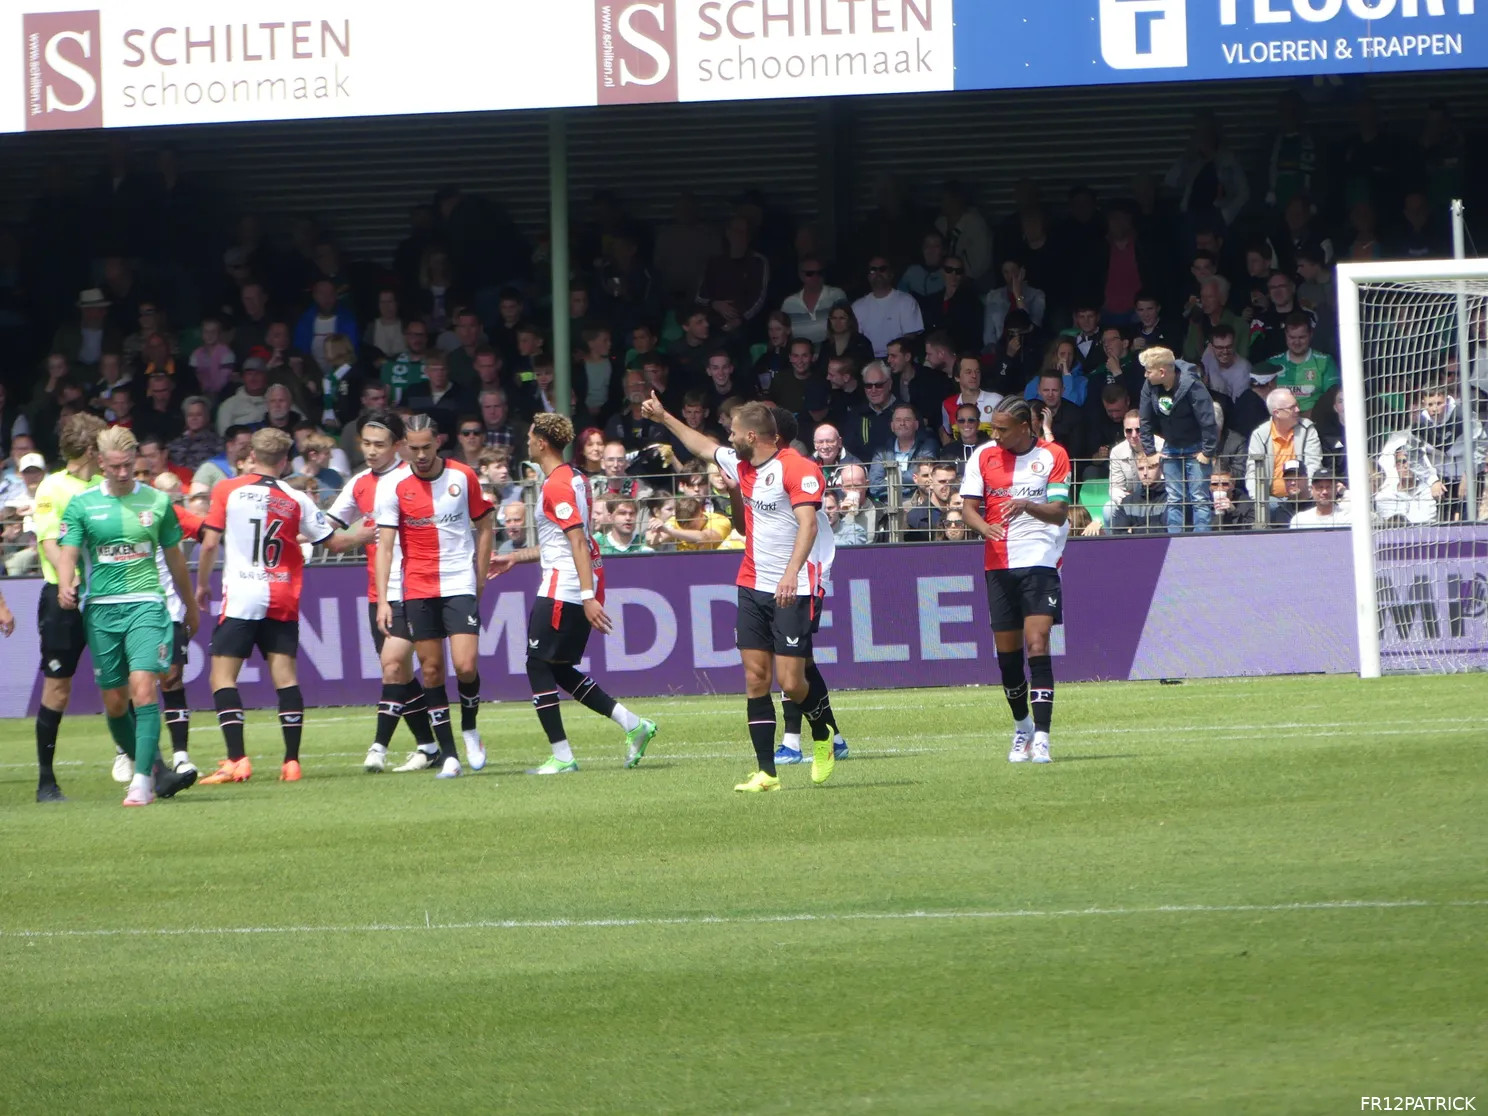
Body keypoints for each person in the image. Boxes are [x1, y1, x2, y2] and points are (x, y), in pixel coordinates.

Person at [643, 394, 841, 790]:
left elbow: (809, 526)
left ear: (752, 435)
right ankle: (767, 772)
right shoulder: (741, 464)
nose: (727, 439)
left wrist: (790, 574)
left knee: (791, 681)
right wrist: (665, 417)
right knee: (755, 678)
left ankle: (823, 733)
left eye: (733, 433)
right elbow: (701, 445)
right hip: (751, 582)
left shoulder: (797, 468)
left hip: (795, 585)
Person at [195, 429, 368, 786]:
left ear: (250, 455)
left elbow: (210, 543)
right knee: (285, 679)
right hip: (281, 594)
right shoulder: (296, 498)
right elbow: (335, 543)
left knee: (222, 678)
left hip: (242, 593)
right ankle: (291, 762)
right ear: (286, 460)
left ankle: (236, 760)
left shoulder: (228, 489)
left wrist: (201, 585)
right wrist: (365, 532)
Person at [488, 413, 658, 774]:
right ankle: (634, 725)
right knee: (560, 669)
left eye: (532, 436)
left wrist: (586, 595)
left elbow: (578, 541)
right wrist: (516, 558)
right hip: (571, 582)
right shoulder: (575, 479)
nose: (528, 441)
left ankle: (563, 756)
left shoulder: (557, 485)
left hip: (564, 587)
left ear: (543, 443)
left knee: (536, 664)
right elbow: (560, 542)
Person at [54, 426, 201, 806]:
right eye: (115, 466)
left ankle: (141, 782)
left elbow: (175, 560)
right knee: (116, 703)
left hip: (146, 605)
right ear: (100, 463)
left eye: (128, 465)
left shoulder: (156, 502)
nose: (123, 473)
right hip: (101, 609)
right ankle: (142, 763)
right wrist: (65, 583)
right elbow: (68, 550)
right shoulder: (83, 505)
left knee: (144, 688)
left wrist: (190, 604)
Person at [373, 414, 495, 779]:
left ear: (438, 441)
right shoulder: (394, 486)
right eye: (414, 448)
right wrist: (383, 599)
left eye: (427, 447)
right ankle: (450, 754)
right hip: (417, 587)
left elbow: (485, 524)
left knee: (466, 666)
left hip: (459, 582)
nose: (421, 455)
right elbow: (385, 547)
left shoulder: (462, 476)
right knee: (431, 670)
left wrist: (480, 576)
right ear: (404, 446)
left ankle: (470, 728)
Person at [325, 410, 441, 773]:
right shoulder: (359, 482)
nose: (371, 451)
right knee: (401, 675)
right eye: (366, 443)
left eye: (379, 444)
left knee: (393, 666)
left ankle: (378, 747)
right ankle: (428, 746)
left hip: (414, 587)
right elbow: (327, 529)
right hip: (379, 593)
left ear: (398, 446)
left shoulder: (413, 478)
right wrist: (341, 537)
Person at [959, 398, 1071, 765]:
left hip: (1039, 560)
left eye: (1004, 429)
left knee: (1037, 645)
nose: (997, 435)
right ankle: (1021, 727)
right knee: (1008, 659)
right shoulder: (983, 456)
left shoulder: (1053, 455)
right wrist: (983, 527)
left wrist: (1027, 506)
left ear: (1026, 426)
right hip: (998, 564)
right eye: (995, 429)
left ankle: (1042, 737)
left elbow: (1058, 514)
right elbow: (968, 508)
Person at [30, 413, 108, 802]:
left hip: (106, 595)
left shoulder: (104, 485)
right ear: (92, 449)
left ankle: (146, 767)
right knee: (58, 687)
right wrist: (66, 580)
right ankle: (46, 780)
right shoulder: (52, 487)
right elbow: (48, 540)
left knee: (124, 681)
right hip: (62, 598)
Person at [1138, 347, 1219, 533]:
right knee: (1174, 498)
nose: (1145, 375)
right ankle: (1174, 541)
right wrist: (1149, 451)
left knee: (1199, 498)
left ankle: (1202, 541)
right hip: (1171, 447)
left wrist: (1208, 451)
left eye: (1148, 371)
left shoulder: (1192, 384)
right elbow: (1145, 419)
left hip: (1197, 448)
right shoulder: (1149, 386)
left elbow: (1208, 419)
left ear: (1162, 372)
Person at [851, 256, 924, 358]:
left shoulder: (906, 301)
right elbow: (854, 339)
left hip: (899, 360)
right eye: (873, 270)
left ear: (891, 274)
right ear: (868, 276)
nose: (877, 273)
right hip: (868, 361)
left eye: (882, 269)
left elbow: (910, 338)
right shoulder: (857, 306)